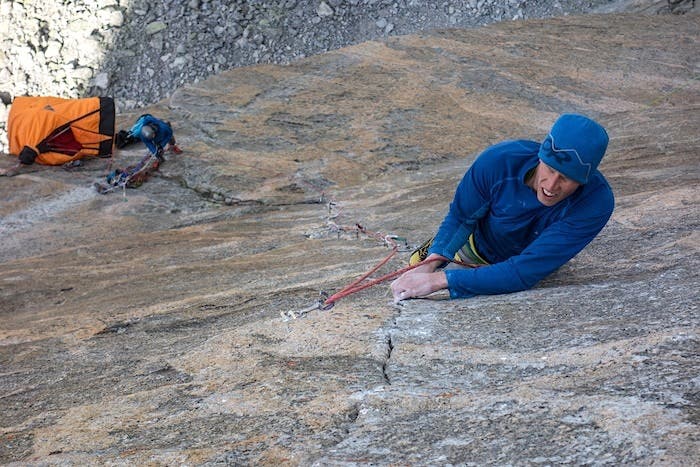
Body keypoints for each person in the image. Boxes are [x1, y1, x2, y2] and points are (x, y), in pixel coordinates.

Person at [390, 113, 614, 301]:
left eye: (566, 178)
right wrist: (429, 265)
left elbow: (524, 271)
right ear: (540, 157)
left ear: (584, 179)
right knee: (420, 262)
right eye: (549, 169)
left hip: (526, 260)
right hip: (473, 244)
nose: (552, 185)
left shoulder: (595, 202)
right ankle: (436, 251)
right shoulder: (499, 161)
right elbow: (461, 217)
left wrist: (440, 281)